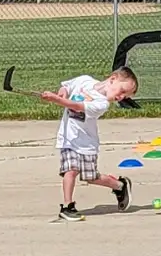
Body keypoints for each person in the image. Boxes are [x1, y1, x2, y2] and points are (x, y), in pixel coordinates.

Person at [44, 67, 137, 222]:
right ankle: (67, 206)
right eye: (122, 91)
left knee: (91, 178)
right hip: (68, 138)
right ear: (112, 79)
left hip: (86, 144)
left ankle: (119, 185)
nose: (121, 97)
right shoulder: (84, 80)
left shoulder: (102, 104)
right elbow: (66, 86)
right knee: (70, 170)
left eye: (125, 96)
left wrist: (57, 100)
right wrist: (62, 93)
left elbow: (76, 106)